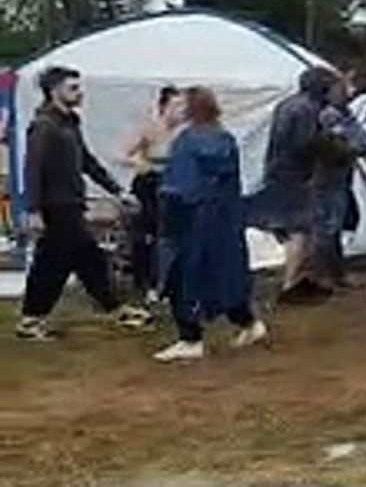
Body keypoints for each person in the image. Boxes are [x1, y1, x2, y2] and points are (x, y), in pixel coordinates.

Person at [15, 67, 155, 341]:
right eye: (73, 88)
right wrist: (33, 210)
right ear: (54, 91)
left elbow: (87, 162)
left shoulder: (70, 123)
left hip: (72, 204)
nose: (80, 93)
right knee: (52, 265)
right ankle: (31, 320)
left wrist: (116, 190)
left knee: (87, 258)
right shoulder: (44, 126)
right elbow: (33, 168)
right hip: (55, 207)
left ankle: (112, 308)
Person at [152, 87, 267, 362]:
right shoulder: (225, 139)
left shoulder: (187, 141)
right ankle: (249, 323)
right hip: (224, 220)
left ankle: (190, 338)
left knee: (180, 276)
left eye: (182, 105)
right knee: (226, 274)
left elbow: (179, 187)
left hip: (190, 220)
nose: (175, 110)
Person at [256, 66, 340, 303]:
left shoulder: (287, 104)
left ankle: (297, 278)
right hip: (294, 175)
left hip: (278, 171)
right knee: (300, 228)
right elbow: (304, 143)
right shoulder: (307, 109)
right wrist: (330, 146)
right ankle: (291, 284)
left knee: (294, 227)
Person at [123, 86, 186, 302]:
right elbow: (126, 154)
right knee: (148, 236)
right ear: (163, 107)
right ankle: (147, 283)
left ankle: (167, 283)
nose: (181, 110)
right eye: (176, 106)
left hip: (175, 186)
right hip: (149, 185)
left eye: (183, 106)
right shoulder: (150, 129)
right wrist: (140, 163)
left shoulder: (185, 132)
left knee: (171, 237)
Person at [310, 76, 366, 289]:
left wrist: (360, 144)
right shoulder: (328, 116)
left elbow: (362, 138)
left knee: (334, 225)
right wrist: (357, 147)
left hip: (340, 176)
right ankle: (325, 274)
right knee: (327, 227)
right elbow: (343, 144)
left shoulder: (345, 114)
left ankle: (336, 273)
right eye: (341, 89)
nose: (347, 92)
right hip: (327, 177)